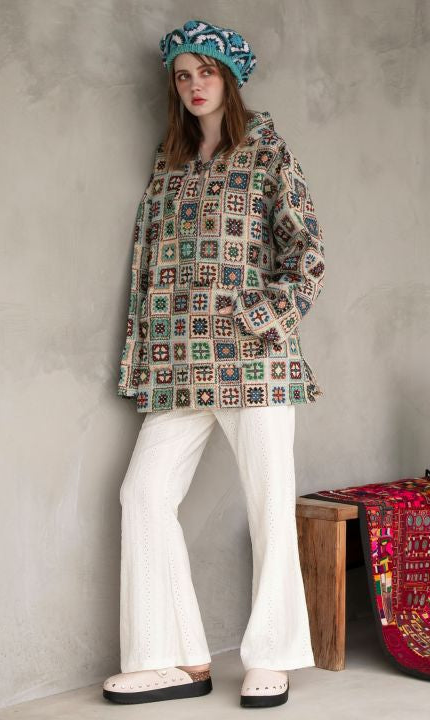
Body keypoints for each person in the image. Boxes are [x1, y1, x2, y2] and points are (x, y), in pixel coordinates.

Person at [103, 18, 326, 708]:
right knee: (143, 496)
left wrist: (260, 318)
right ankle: (175, 658)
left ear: (229, 78)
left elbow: (307, 255)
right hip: (179, 362)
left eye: (206, 72)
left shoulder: (266, 150)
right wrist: (142, 356)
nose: (195, 86)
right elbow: (147, 270)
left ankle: (273, 656)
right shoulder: (167, 163)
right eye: (183, 75)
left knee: (269, 506)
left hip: (254, 362)